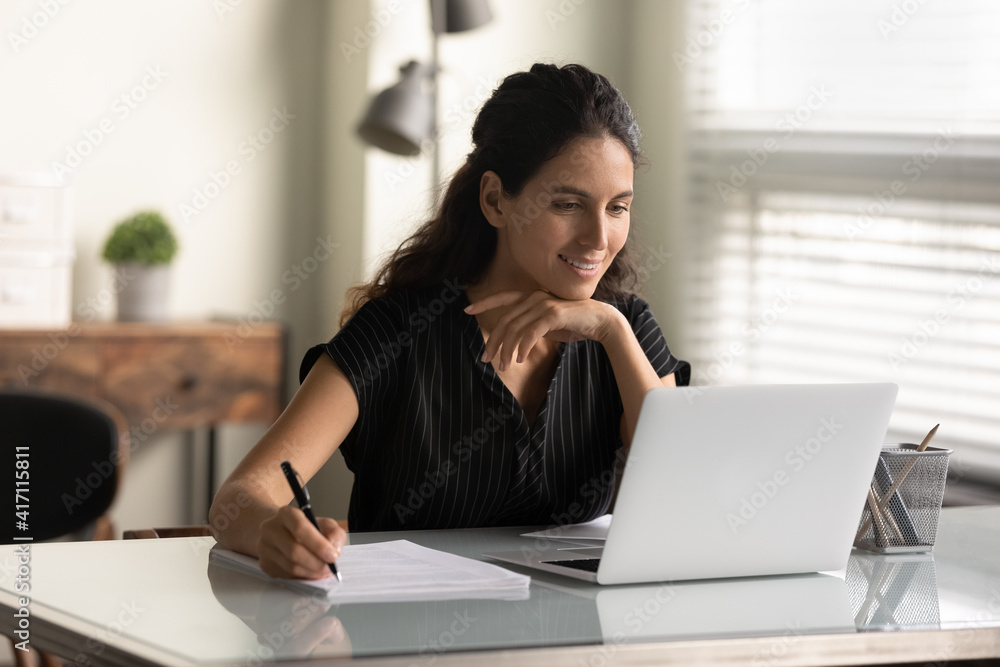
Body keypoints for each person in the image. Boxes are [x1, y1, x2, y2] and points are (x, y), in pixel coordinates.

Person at [210, 62, 690, 580]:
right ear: (495, 200)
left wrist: (612, 332)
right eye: (568, 204)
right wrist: (272, 534)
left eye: (617, 208)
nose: (598, 238)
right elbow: (239, 498)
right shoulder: (399, 330)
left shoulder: (624, 328)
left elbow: (681, 487)